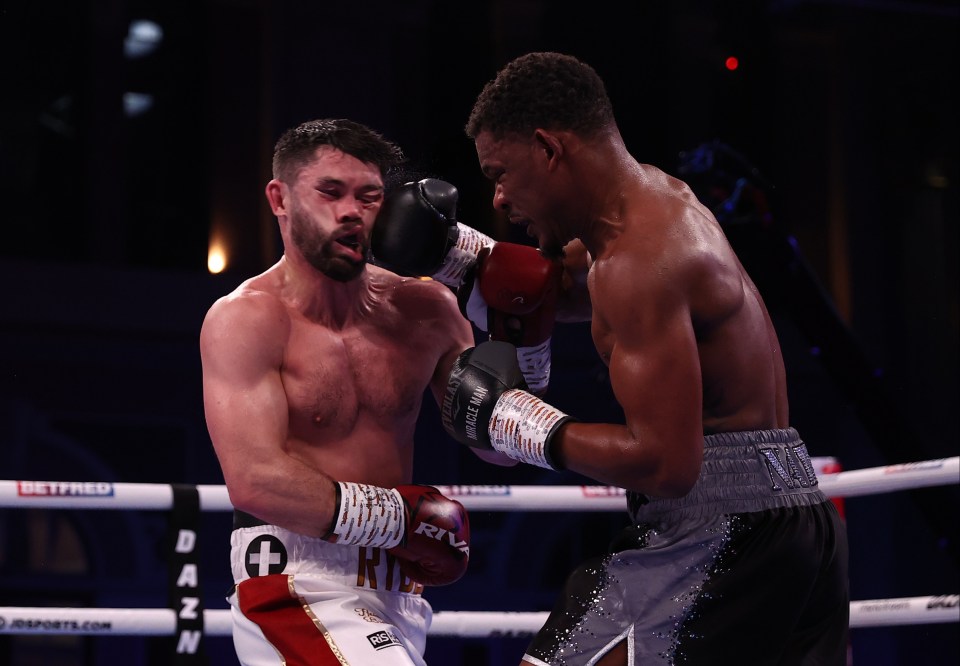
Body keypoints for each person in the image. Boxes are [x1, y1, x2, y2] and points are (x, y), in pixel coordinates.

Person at [440, 52, 850, 665]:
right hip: (793, 517)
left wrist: (516, 421)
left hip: (720, 528)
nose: (497, 199)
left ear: (550, 149)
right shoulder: (653, 206)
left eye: (501, 173)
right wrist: (450, 251)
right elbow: (552, 287)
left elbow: (666, 464)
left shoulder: (641, 262)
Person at [200, 118, 479, 666]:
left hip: (397, 587)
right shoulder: (247, 319)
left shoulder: (428, 312)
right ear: (280, 199)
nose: (352, 210)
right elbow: (254, 481)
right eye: (330, 192)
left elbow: (495, 446)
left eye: (369, 196)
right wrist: (401, 519)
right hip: (293, 577)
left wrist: (523, 330)